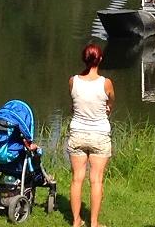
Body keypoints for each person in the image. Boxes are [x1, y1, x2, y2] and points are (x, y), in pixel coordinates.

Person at [67, 43, 115, 227]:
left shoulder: (73, 81)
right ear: (100, 59)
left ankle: (76, 221)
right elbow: (111, 102)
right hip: (99, 135)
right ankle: (94, 223)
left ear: (84, 59)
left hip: (77, 133)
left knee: (77, 179)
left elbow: (73, 104)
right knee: (96, 180)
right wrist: (107, 108)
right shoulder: (106, 83)